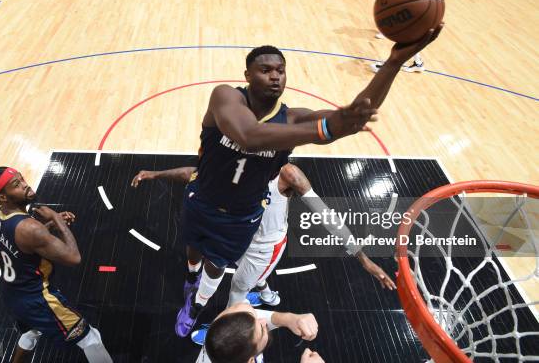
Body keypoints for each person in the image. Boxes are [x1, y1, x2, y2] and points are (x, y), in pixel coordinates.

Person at [173, 39, 441, 337]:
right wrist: (327, 127)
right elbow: (249, 135)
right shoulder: (225, 96)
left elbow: (355, 113)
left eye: (280, 70)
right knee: (193, 248)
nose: (275, 76)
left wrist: (393, 62)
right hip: (202, 197)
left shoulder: (292, 119)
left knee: (217, 265)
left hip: (240, 215)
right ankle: (190, 276)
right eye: (265, 70)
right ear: (247, 75)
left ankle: (196, 306)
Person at [133, 163, 395, 345]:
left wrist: (363, 258)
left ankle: (219, 330)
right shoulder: (239, 164)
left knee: (236, 294)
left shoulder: (288, 174)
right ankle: (266, 294)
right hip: (240, 235)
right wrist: (155, 174)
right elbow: (194, 174)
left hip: (264, 248)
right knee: (229, 266)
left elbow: (325, 214)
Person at [0, 167, 113, 363]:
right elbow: (73, 257)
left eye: (22, 179)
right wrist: (55, 218)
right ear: (2, 197)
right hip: (39, 299)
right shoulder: (30, 228)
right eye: (16, 185)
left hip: (12, 295)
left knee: (30, 334)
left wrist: (50, 227)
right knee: (90, 337)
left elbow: (24, 244)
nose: (25, 184)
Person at [373, 0, 442, 73]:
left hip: (421, 10)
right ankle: (418, 63)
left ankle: (388, 66)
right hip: (416, 8)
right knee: (409, 39)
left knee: (404, 36)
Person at [196, 302, 325, 363]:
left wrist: (288, 318)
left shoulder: (222, 326)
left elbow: (244, 309)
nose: (263, 321)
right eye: (262, 330)